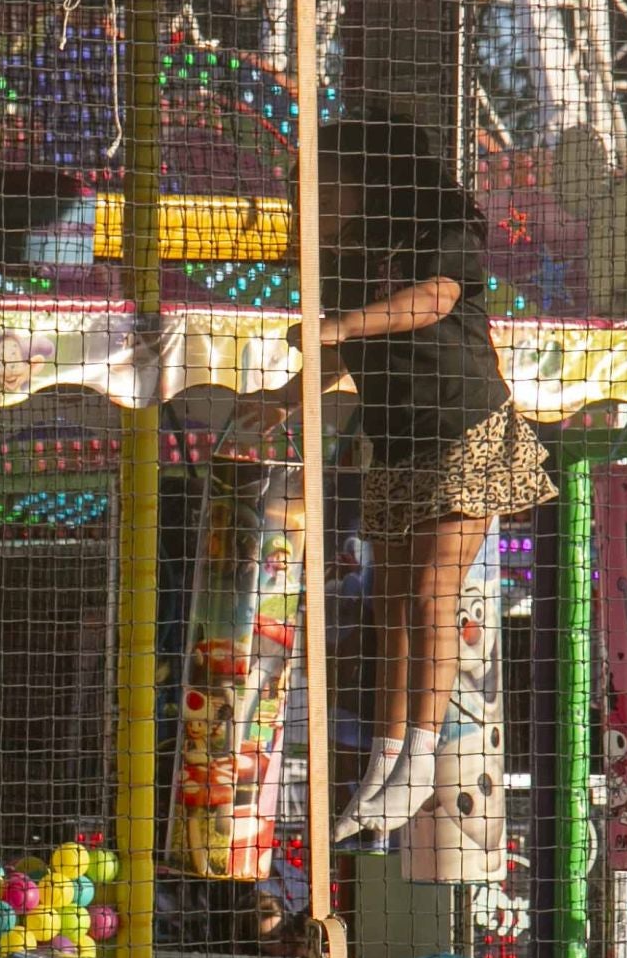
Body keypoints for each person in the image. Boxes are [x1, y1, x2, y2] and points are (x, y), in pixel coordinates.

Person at [237, 113, 556, 845]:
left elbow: (434, 300)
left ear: (365, 177)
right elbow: (347, 350)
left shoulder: (437, 230)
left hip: (462, 426)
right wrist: (286, 397)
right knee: (390, 600)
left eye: (320, 182)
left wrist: (340, 327)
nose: (308, 197)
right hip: (399, 440)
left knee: (429, 590)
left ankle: (420, 758)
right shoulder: (346, 254)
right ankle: (385, 761)